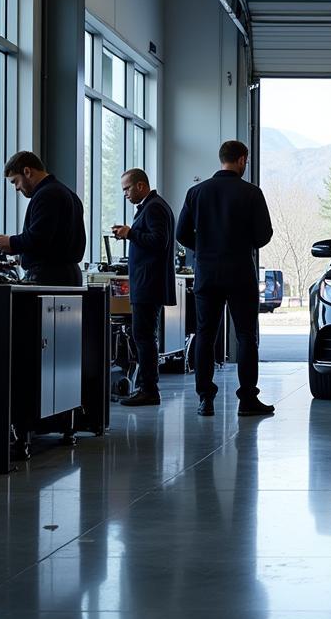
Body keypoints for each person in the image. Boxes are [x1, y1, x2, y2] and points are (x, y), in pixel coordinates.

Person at [175, 140, 274, 417]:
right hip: (241, 272)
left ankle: (205, 399)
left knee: (206, 336)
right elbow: (264, 235)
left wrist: (205, 247)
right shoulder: (252, 193)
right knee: (245, 336)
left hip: (207, 273)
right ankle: (247, 400)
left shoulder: (196, 192)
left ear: (222, 160)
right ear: (242, 160)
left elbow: (182, 233)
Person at [111, 168, 177, 407]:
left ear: (141, 186)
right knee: (145, 335)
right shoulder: (152, 207)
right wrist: (131, 233)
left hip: (149, 283)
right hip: (148, 283)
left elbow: (160, 241)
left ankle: (148, 389)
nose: (125, 194)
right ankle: (147, 387)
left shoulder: (154, 207)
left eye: (127, 188)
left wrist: (130, 233)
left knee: (144, 336)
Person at [0, 151, 86, 286]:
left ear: (27, 172)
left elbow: (38, 239)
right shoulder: (68, 194)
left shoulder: (47, 195)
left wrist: (11, 242)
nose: (16, 188)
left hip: (49, 276)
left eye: (15, 181)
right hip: (69, 275)